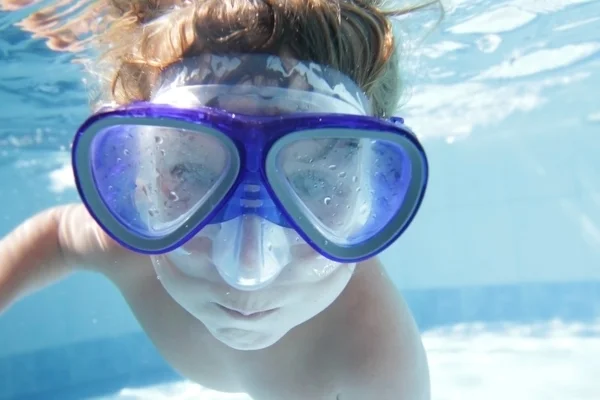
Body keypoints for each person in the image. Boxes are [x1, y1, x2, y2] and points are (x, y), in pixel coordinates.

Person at [0, 0, 442, 398]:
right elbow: (58, 236)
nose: (247, 268)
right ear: (139, 175)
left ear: (370, 194)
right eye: (190, 173)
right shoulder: (133, 237)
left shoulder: (374, 361)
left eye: (315, 187)